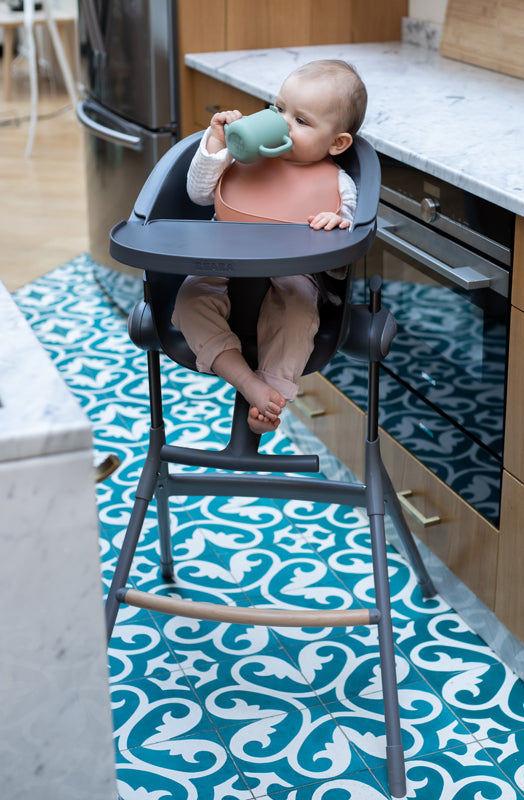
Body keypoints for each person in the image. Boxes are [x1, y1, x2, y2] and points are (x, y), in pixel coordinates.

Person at [173, 59, 367, 434]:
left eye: (301, 121)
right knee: (189, 300)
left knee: (298, 313)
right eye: (278, 109)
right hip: (222, 259)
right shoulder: (244, 154)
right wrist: (216, 143)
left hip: (293, 273)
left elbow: (342, 260)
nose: (283, 123)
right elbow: (198, 194)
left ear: (337, 142)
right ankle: (247, 382)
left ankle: (272, 393)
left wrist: (338, 225)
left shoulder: (339, 185)